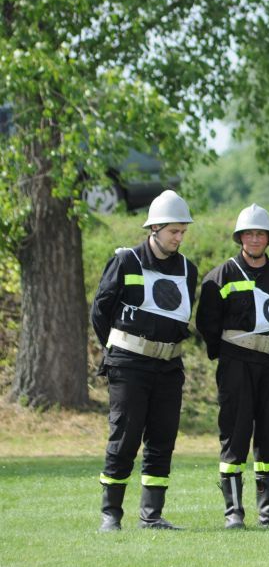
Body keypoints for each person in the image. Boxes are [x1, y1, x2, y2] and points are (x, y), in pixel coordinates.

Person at [90, 190, 199, 531]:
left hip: (169, 366)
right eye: (173, 232)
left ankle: (151, 516)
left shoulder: (188, 269)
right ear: (154, 229)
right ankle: (111, 514)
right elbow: (100, 310)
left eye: (182, 231)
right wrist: (117, 350)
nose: (179, 238)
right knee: (125, 437)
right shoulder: (126, 262)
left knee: (163, 438)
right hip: (129, 364)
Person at [195, 204, 269, 529]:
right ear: (240, 237)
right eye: (249, 233)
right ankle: (234, 512)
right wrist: (225, 356)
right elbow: (207, 323)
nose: (254, 239)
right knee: (235, 434)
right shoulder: (220, 276)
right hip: (236, 363)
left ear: (268, 238)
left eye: (260, 233)